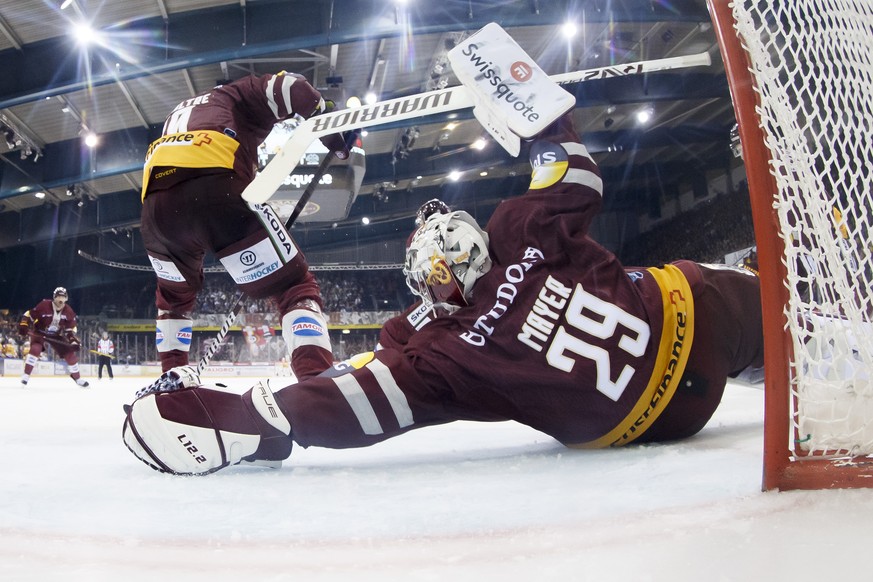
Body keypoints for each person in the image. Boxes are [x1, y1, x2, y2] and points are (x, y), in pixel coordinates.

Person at [121, 112, 765, 475]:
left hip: (636, 427)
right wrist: (530, 104)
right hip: (697, 331)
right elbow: (577, 171)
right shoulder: (520, 232)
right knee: (748, 303)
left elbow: (353, 404)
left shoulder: (436, 349)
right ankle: (822, 344)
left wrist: (252, 420)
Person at [139, 71, 350, 380]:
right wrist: (331, 130)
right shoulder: (237, 92)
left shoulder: (177, 111)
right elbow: (291, 87)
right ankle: (316, 381)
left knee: (173, 302)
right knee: (294, 287)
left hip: (156, 209)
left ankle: (174, 383)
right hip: (217, 183)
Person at [19, 287, 89, 387]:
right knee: (35, 349)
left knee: (70, 354)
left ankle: (77, 378)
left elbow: (70, 329)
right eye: (59, 296)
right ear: (54, 297)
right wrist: (24, 324)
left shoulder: (69, 311)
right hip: (40, 332)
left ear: (66, 298)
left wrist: (73, 341)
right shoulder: (44, 305)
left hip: (56, 335)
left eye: (63, 297)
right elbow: (29, 314)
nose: (61, 299)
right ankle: (26, 375)